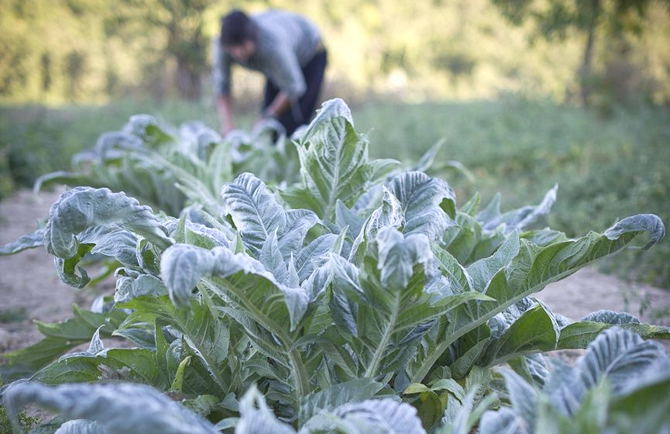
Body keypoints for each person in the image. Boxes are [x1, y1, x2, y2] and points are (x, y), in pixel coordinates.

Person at [212, 9, 327, 137]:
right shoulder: (223, 45)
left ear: (252, 37)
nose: (238, 53)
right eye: (233, 48)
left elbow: (294, 87)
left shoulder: (273, 47)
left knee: (293, 126)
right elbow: (222, 85)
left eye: (242, 46)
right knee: (272, 127)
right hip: (280, 61)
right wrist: (227, 123)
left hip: (310, 52)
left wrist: (266, 116)